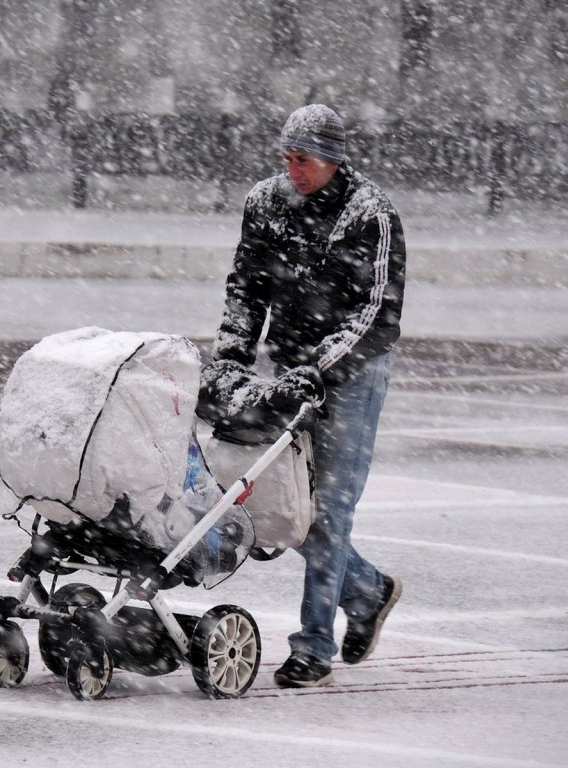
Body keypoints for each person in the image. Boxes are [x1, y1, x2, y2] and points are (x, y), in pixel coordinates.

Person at [203, 104, 406, 688]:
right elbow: (246, 286)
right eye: (286, 158)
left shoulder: (372, 213)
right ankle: (367, 592)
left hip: (353, 374)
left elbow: (377, 314)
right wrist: (234, 360)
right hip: (290, 366)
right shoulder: (264, 203)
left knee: (332, 508)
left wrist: (323, 365)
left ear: (334, 160)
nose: (293, 170)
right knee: (286, 503)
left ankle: (314, 647)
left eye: (304, 160)